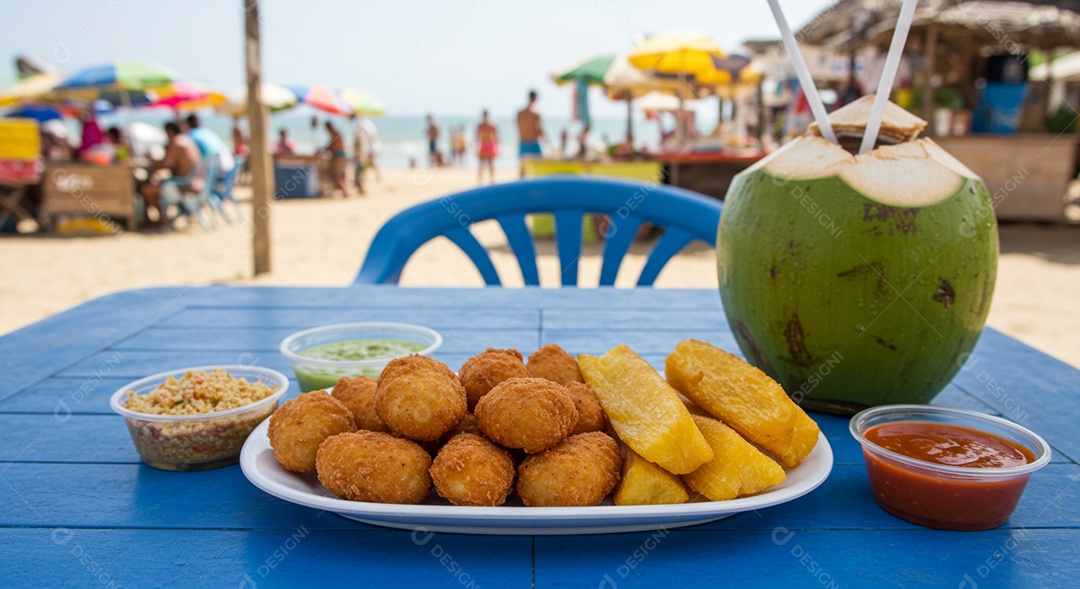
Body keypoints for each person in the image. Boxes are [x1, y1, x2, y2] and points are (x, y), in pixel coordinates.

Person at [139, 122, 202, 227]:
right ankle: (162, 219)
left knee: (146, 190)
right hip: (194, 180)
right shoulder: (187, 140)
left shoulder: (177, 142)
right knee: (152, 186)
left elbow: (164, 163)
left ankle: (163, 219)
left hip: (184, 185)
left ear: (169, 131)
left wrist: (152, 162)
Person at [516, 90, 544, 177]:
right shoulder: (535, 113)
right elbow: (539, 129)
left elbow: (519, 128)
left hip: (523, 141)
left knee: (523, 168)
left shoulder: (520, 113)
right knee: (539, 167)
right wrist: (546, 141)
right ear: (535, 98)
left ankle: (520, 187)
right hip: (533, 142)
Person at [324, 121, 348, 195]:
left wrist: (323, 150)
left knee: (336, 174)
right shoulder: (337, 133)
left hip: (339, 155)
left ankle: (344, 191)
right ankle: (343, 189)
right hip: (342, 154)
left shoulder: (334, 134)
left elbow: (333, 146)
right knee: (340, 174)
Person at [476, 110, 498, 185]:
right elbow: (477, 137)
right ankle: (480, 181)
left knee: (490, 163)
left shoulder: (491, 125)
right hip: (483, 144)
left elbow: (496, 137)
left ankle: (492, 180)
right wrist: (477, 147)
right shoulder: (480, 125)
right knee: (481, 164)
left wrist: (496, 147)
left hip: (490, 144)